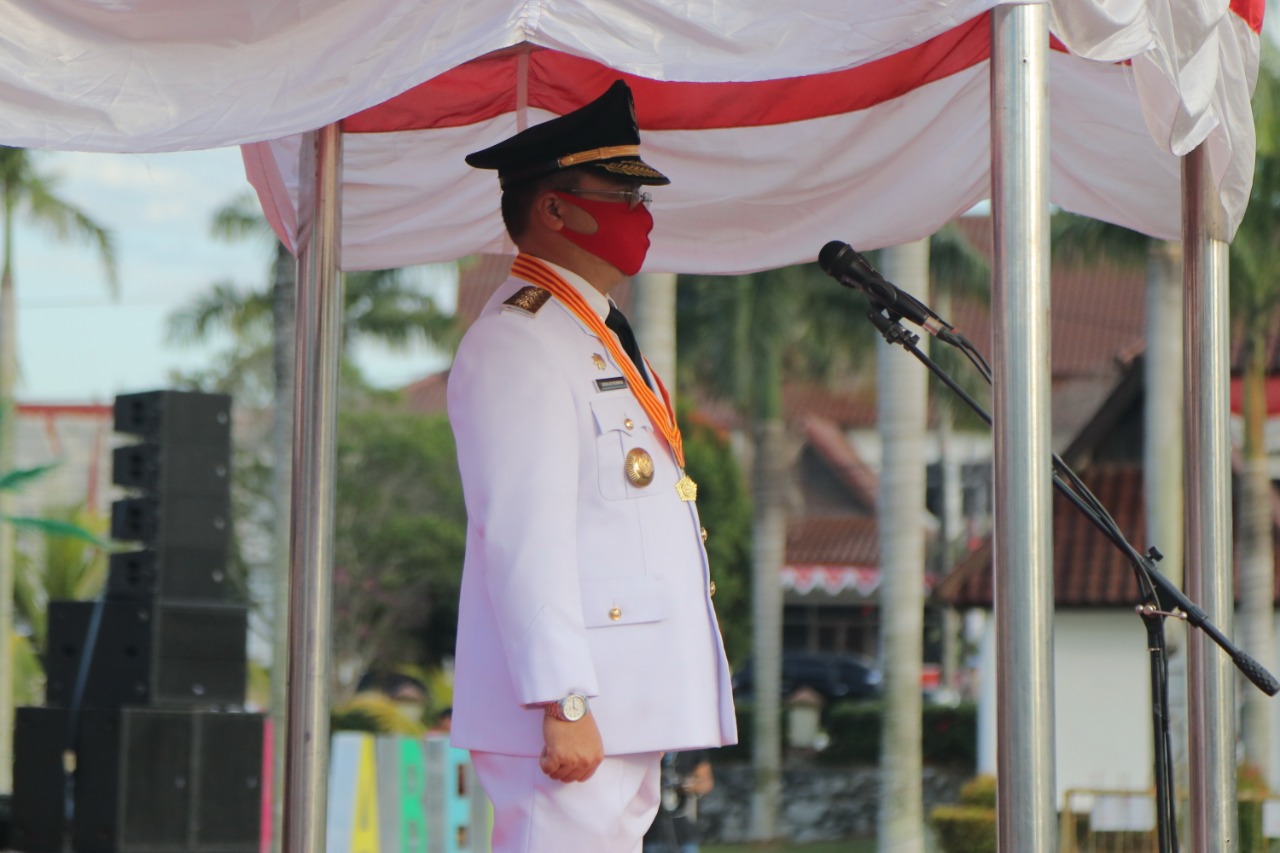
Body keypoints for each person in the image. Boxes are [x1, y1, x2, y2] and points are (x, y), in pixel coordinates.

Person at [447, 79, 737, 852]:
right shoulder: (519, 342)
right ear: (554, 208)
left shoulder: (585, 332)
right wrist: (562, 695)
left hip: (624, 697)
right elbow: (521, 532)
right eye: (620, 196)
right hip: (575, 703)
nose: (640, 217)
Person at [643, 750, 715, 853]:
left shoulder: (691, 747)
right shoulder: (649, 745)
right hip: (652, 831)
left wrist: (691, 786)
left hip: (684, 829)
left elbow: (706, 783)